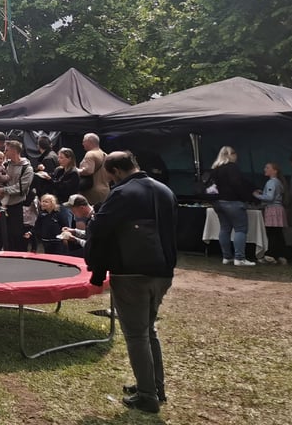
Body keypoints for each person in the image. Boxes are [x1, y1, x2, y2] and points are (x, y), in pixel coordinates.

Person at [85, 151, 177, 413]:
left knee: (137, 335)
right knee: (148, 330)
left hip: (132, 271)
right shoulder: (164, 191)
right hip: (162, 271)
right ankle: (154, 386)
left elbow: (99, 229)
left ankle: (147, 395)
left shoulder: (123, 193)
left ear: (114, 172)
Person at [210, 146, 258, 266]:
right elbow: (238, 184)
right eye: (235, 153)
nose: (236, 156)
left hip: (218, 202)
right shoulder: (232, 167)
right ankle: (239, 258)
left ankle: (227, 257)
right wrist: (247, 197)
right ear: (230, 154)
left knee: (224, 229)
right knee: (240, 229)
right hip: (233, 202)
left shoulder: (215, 169)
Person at [0, 140, 34, 252]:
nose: (4, 152)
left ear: (14, 151)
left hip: (16, 206)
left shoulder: (27, 168)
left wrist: (3, 190)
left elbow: (21, 187)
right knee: (0, 233)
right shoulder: (5, 165)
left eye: (7, 149)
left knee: (15, 235)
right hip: (1, 205)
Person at [254, 162, 286, 265]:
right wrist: (263, 193)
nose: (265, 169)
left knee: (272, 233)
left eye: (267, 167)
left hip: (273, 210)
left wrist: (257, 196)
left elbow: (270, 197)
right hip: (278, 209)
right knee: (278, 233)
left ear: (274, 170)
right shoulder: (278, 182)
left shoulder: (271, 182)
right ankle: (280, 255)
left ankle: (270, 256)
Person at [79, 133, 110, 205]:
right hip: (105, 190)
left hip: (91, 191)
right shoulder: (105, 154)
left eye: (84, 141)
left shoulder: (90, 154)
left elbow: (88, 171)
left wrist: (76, 170)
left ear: (89, 142)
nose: (82, 143)